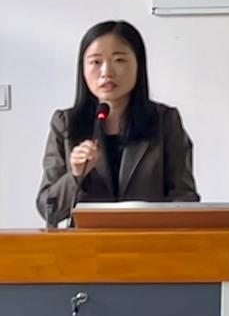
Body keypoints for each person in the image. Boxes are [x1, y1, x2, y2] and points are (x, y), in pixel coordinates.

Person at [37, 19, 199, 225]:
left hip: (148, 239)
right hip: (86, 242)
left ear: (138, 65)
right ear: (83, 69)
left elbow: (184, 197)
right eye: (96, 62)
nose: (106, 72)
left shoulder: (165, 121)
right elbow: (48, 210)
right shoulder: (66, 124)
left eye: (119, 60)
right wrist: (75, 176)